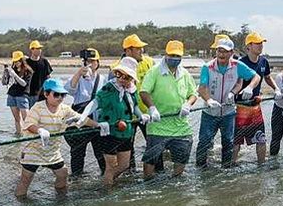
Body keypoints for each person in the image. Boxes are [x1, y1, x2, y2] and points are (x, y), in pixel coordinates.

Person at [15, 79, 104, 198]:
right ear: (46, 94)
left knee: (63, 174)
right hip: (34, 151)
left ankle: (61, 198)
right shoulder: (38, 107)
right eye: (56, 94)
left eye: (63, 95)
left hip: (53, 151)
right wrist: (39, 130)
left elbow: (81, 119)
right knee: (25, 180)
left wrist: (98, 125)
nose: (60, 98)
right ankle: (20, 204)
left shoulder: (65, 109)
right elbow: (29, 124)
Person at [78, 57, 149, 185]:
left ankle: (106, 182)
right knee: (110, 166)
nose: (121, 79)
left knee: (124, 165)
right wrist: (84, 115)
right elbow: (96, 101)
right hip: (109, 131)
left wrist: (141, 115)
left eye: (126, 77)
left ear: (132, 78)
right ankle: (107, 191)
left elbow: (134, 106)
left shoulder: (132, 89)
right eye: (118, 74)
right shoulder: (109, 87)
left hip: (126, 132)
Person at [196, 38, 259, 168]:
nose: (221, 54)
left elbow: (256, 76)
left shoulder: (237, 66)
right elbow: (202, 87)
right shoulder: (207, 67)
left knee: (228, 142)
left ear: (231, 53)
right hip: (210, 112)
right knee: (204, 141)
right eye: (219, 51)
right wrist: (209, 100)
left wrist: (249, 88)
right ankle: (200, 168)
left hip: (228, 112)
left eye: (225, 51)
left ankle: (226, 170)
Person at [140, 41, 197, 179]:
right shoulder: (154, 71)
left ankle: (175, 181)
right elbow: (144, 92)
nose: (175, 58)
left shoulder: (185, 73)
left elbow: (193, 93)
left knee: (182, 156)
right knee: (151, 158)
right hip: (158, 125)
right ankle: (147, 182)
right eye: (172, 55)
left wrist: (188, 104)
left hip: (181, 125)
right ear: (166, 54)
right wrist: (152, 108)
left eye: (178, 55)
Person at [233, 32, 280, 165]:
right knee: (236, 141)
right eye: (257, 43)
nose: (260, 46)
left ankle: (261, 166)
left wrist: (276, 88)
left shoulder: (263, 61)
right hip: (240, 107)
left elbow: (267, 77)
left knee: (261, 138)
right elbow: (237, 83)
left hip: (255, 106)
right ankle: (230, 167)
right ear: (249, 46)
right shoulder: (241, 63)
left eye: (261, 43)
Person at [111, 34, 155, 171]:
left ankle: (154, 174)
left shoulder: (149, 62)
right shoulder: (116, 68)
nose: (141, 50)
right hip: (127, 117)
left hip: (147, 113)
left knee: (153, 144)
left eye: (142, 48)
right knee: (127, 148)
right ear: (128, 51)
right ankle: (129, 175)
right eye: (138, 48)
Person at [65, 48, 107, 177]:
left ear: (98, 63)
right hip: (80, 124)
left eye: (94, 61)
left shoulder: (103, 79)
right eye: (88, 61)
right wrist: (78, 74)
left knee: (101, 154)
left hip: (97, 123)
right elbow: (69, 90)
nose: (91, 64)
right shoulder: (78, 78)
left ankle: (105, 177)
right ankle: (77, 180)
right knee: (77, 154)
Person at [4, 51, 34, 134]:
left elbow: (24, 84)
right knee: (17, 118)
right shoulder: (12, 70)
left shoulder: (28, 70)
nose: (16, 63)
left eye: (18, 61)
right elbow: (5, 83)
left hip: (22, 95)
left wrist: (15, 75)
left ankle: (30, 136)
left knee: (27, 119)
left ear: (22, 60)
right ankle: (19, 134)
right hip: (12, 94)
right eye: (15, 61)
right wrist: (6, 74)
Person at [26, 40, 53, 105]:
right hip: (30, 94)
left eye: (40, 48)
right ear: (32, 50)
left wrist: (50, 91)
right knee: (31, 113)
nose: (39, 50)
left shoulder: (44, 61)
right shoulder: (26, 62)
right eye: (37, 48)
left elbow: (48, 77)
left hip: (43, 94)